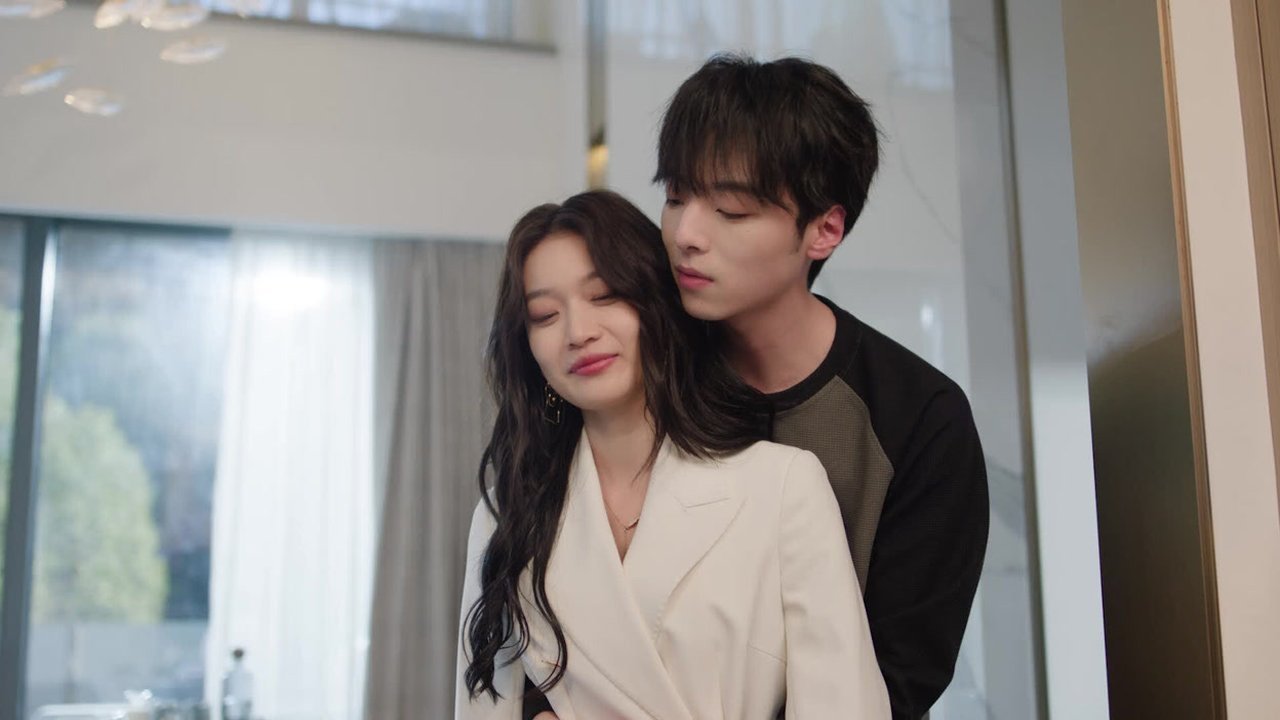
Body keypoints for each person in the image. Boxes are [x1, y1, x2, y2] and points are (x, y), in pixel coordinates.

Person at [454, 190, 890, 720]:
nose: (578, 333)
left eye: (605, 295)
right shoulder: (506, 515)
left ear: (654, 304)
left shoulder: (783, 487)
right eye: (545, 315)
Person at [652, 54, 991, 720]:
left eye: (730, 210)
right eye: (674, 197)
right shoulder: (649, 379)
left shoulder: (921, 419)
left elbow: (899, 678)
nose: (686, 234)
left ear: (824, 230)